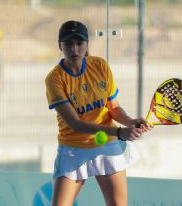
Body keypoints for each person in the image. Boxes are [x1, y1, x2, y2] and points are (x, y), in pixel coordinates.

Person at [45, 20, 153, 206]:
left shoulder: (101, 66)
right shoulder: (54, 79)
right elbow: (75, 123)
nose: (74, 49)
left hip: (107, 145)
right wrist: (120, 133)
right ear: (59, 45)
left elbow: (114, 108)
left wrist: (129, 121)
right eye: (68, 43)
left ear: (87, 44)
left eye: (79, 43)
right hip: (73, 148)